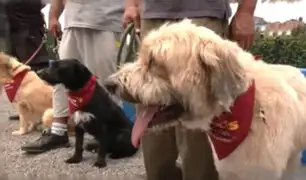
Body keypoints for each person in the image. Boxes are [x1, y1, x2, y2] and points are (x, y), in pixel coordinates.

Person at [122, 0, 256, 180]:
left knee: (200, 125)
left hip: (204, 13)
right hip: (152, 14)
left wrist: (246, 10)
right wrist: (131, 4)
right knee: (151, 116)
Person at [21, 0, 124, 153]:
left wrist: (132, 8)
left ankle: (113, 133)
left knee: (106, 79)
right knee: (59, 77)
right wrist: (53, 16)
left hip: (107, 21)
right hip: (72, 21)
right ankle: (58, 132)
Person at [1, 0, 50, 121]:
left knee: (36, 70)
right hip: (10, 31)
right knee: (16, 76)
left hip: (28, 29)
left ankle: (44, 109)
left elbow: (43, 3)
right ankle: (27, 109)